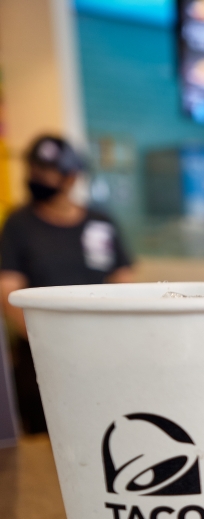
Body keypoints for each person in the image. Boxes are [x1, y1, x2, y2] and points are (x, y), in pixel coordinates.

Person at [0, 135, 134, 435]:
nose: (37, 178)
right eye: (34, 170)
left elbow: (125, 282)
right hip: (41, 358)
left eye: (47, 171)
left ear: (72, 176)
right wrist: (51, 341)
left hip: (102, 356)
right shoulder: (18, 224)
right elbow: (8, 290)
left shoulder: (100, 222)